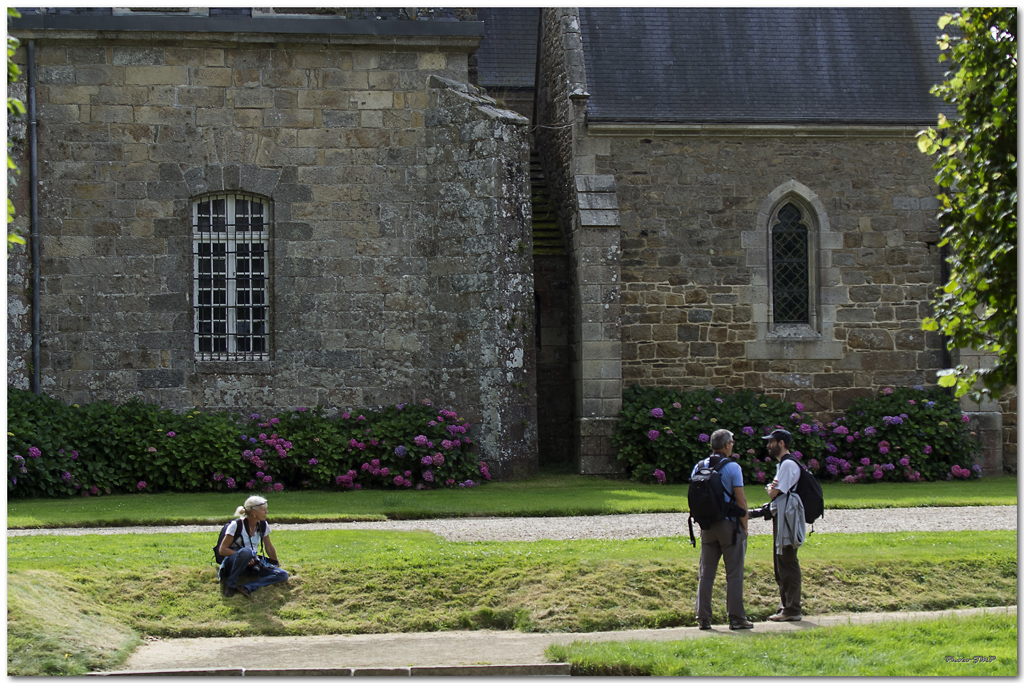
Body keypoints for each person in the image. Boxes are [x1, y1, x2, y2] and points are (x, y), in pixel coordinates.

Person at [692, 428, 753, 631]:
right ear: (726, 445)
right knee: (734, 573)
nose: (732, 445)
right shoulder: (732, 467)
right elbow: (741, 499)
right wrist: (745, 526)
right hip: (729, 525)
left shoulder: (698, 467)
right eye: (732, 442)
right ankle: (736, 617)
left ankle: (703, 617)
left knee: (706, 573)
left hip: (707, 525)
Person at [763, 428, 805, 622]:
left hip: (788, 517)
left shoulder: (788, 464)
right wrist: (772, 489)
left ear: (781, 443)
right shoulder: (784, 464)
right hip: (783, 515)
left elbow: (775, 491)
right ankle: (785, 606)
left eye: (771, 442)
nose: (768, 445)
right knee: (781, 562)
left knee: (787, 560)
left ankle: (792, 609)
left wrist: (771, 489)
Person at [218, 495, 289, 598]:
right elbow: (222, 550)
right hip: (234, 562)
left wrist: (275, 562)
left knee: (282, 574)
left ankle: (247, 587)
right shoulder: (236, 525)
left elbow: (268, 547)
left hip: (252, 563)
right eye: (264, 510)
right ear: (254, 512)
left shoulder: (263, 525)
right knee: (246, 552)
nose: (266, 512)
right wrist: (246, 556)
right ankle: (230, 585)